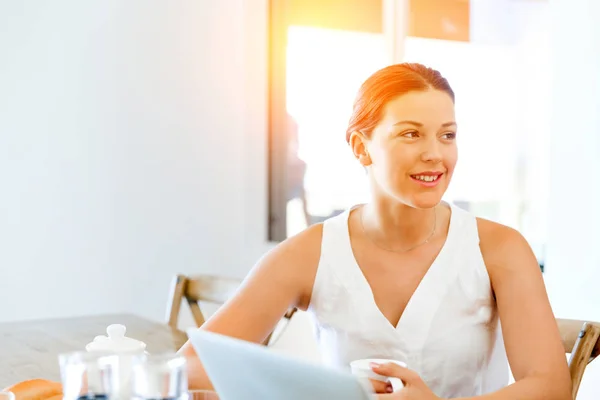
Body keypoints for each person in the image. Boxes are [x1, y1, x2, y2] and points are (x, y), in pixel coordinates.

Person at [179, 63, 571, 399]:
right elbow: (192, 365)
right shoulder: (310, 253)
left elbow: (550, 386)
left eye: (447, 134)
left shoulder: (500, 248)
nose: (435, 153)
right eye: (411, 133)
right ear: (361, 147)